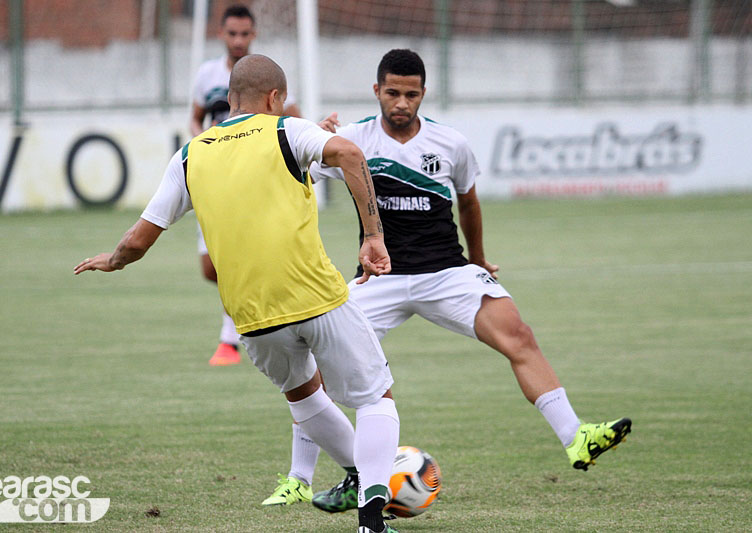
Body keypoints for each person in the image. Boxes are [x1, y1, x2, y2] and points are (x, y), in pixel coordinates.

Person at [263, 49, 632, 514]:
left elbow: (470, 204)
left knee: (518, 333)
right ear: (376, 91)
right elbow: (299, 170)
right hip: (381, 276)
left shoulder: (450, 143)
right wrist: (319, 133)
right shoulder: (353, 139)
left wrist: (478, 260)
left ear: (423, 94)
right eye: (393, 93)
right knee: (316, 366)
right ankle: (303, 478)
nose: (401, 102)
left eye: (411, 94)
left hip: (447, 273)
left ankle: (577, 437)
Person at [75, 54, 400, 533]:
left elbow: (138, 241)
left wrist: (113, 259)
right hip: (316, 297)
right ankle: (371, 520)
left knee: (306, 398)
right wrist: (372, 235)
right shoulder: (287, 129)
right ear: (275, 99)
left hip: (252, 318)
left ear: (229, 100)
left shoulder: (191, 153)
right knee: (375, 397)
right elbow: (350, 154)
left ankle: (355, 474)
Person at [190, 4, 302, 367]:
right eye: (232, 33)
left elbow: (293, 118)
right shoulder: (207, 74)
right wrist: (203, 144)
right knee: (211, 267)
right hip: (216, 173)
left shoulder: (266, 73)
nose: (238, 40)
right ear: (221, 34)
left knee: (240, 254)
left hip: (253, 175)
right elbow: (195, 118)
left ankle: (232, 337)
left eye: (245, 34)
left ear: (253, 35)